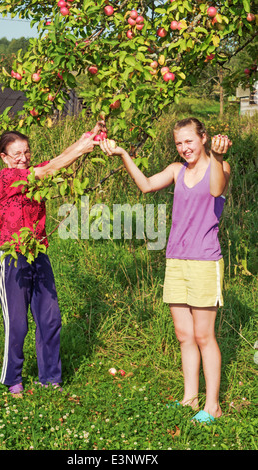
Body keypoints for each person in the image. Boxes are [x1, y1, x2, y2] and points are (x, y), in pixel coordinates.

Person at [100, 117, 231, 423]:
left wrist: (220, 156)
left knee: (203, 335)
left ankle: (213, 405)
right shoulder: (176, 171)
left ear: (203, 138)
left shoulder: (219, 167)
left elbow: (215, 190)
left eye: (189, 141)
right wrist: (123, 154)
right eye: (178, 143)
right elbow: (145, 186)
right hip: (176, 259)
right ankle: (189, 399)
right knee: (184, 334)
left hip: (204, 260)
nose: (184, 148)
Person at [0, 121, 105, 397]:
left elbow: (57, 165)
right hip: (13, 257)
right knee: (17, 323)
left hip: (38, 254)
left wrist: (87, 138)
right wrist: (80, 149)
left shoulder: (35, 171)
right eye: (17, 154)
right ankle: (13, 379)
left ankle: (50, 378)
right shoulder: (6, 178)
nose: (23, 158)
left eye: (27, 152)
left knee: (50, 318)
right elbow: (49, 169)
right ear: (4, 157)